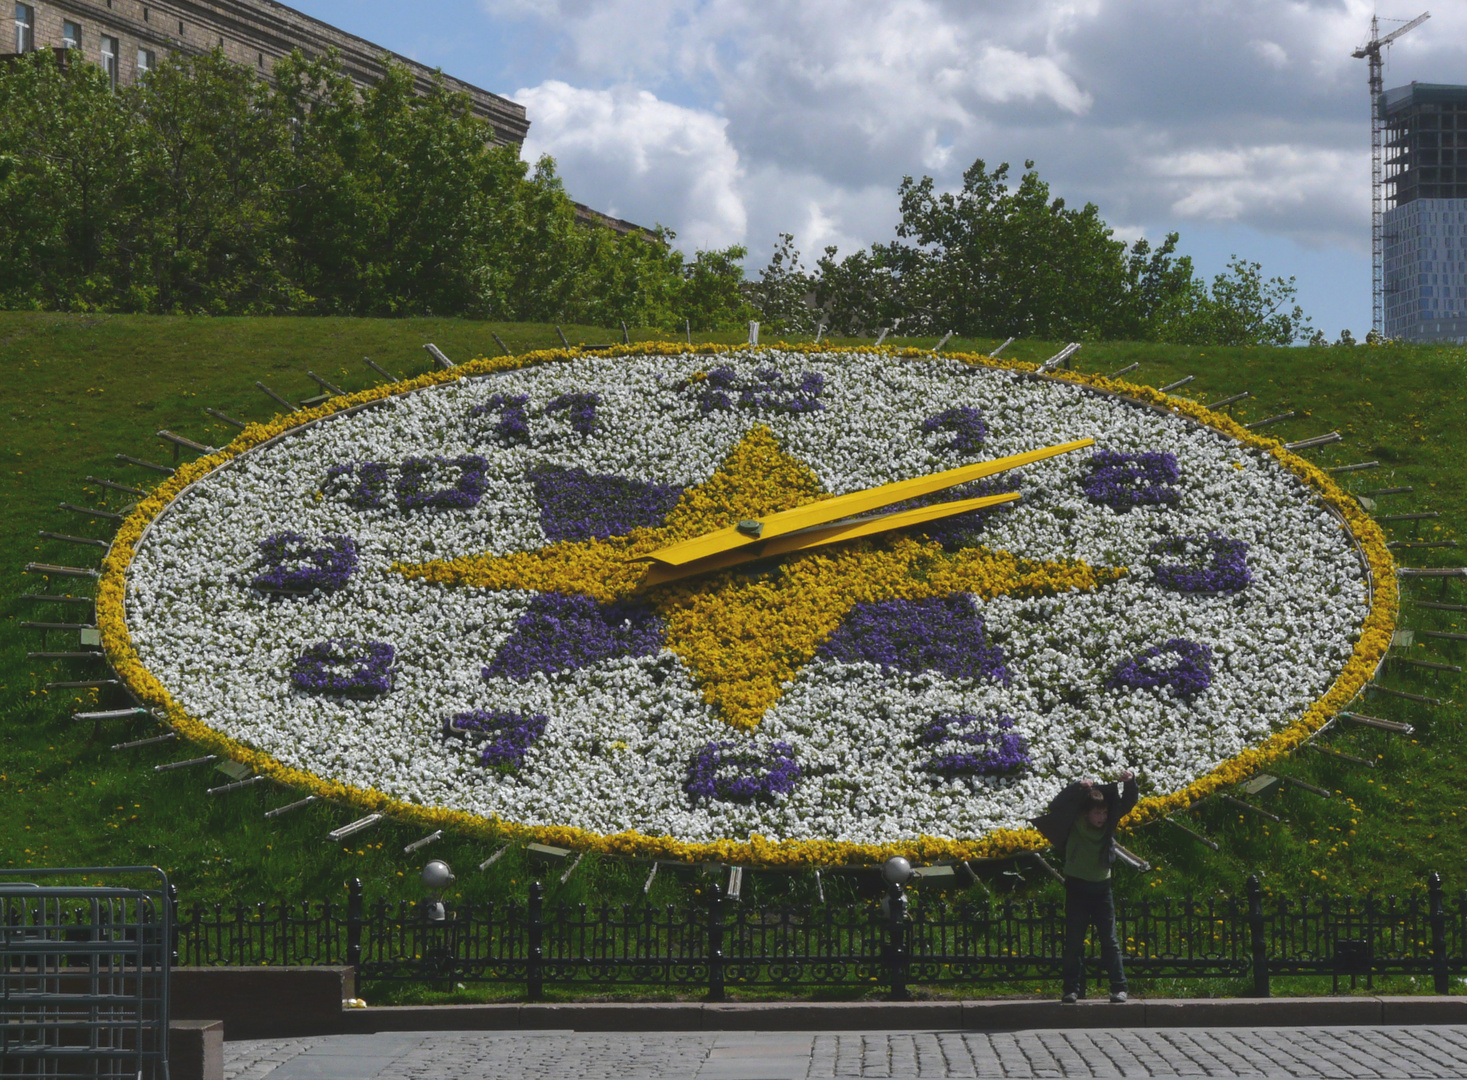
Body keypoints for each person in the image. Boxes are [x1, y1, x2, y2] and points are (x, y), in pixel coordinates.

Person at [1029, 770, 1138, 1003]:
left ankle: (1119, 987)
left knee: (1109, 940)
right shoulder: (1074, 822)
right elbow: (1056, 804)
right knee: (1074, 941)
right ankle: (1071, 989)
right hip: (1077, 886)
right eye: (1097, 813)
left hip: (1102, 888)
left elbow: (1128, 802)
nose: (1102, 817)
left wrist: (1130, 783)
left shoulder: (1109, 824)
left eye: (1105, 813)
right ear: (1086, 813)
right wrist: (1077, 786)